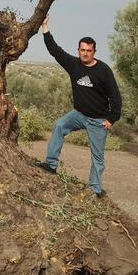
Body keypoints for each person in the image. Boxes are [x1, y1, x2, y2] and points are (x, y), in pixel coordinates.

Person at [36, 16, 122, 198]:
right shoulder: (74, 64)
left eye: (88, 51)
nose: (85, 53)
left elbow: (115, 96)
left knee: (97, 157)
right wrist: (45, 27)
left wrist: (112, 119)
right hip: (79, 114)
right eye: (82, 50)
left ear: (94, 52)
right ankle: (50, 165)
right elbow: (55, 51)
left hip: (98, 120)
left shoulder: (104, 70)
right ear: (78, 50)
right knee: (60, 125)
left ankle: (95, 189)